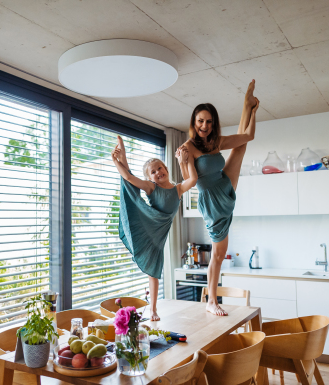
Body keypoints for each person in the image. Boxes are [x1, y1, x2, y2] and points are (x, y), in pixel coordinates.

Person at [180, 79, 260, 316]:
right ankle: (211, 301)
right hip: (212, 201)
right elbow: (190, 181)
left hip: (224, 184)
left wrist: (252, 111)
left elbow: (247, 136)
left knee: (241, 147)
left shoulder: (216, 143)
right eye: (200, 121)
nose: (204, 125)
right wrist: (183, 161)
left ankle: (246, 104)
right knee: (217, 254)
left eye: (209, 121)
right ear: (194, 122)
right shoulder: (188, 147)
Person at [111, 136, 197, 321]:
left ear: (166, 169)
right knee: (153, 272)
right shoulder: (151, 188)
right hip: (148, 224)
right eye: (153, 172)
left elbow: (194, 179)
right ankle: (153, 309)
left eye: (160, 168)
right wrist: (116, 159)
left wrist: (187, 160)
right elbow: (128, 177)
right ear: (150, 178)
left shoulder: (178, 189)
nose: (158, 172)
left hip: (160, 233)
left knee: (154, 270)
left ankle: (153, 308)